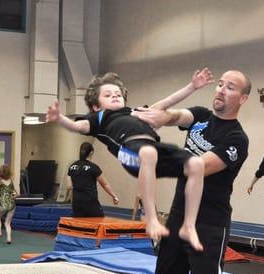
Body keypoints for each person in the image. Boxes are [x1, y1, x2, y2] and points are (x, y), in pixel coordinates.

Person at [132, 70, 251, 274]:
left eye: (231, 87)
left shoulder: (236, 139)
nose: (222, 90)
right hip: (178, 218)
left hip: (209, 226)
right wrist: (179, 95)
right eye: (221, 84)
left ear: (243, 98)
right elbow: (160, 115)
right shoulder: (199, 117)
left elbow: (198, 167)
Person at [46, 69, 215, 252]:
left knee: (197, 164)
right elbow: (77, 126)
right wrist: (60, 119)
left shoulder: (135, 112)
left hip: (154, 152)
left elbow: (166, 102)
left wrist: (193, 86)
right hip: (129, 153)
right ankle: (151, 219)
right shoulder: (99, 118)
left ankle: (188, 226)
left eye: (118, 94)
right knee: (148, 153)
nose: (115, 97)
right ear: (96, 105)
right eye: (108, 95)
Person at [67, 142, 119, 217]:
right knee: (98, 222)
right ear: (91, 153)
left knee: (80, 224)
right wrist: (114, 196)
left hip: (77, 202)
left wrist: (73, 201)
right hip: (90, 201)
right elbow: (105, 184)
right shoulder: (93, 167)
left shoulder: (72, 167)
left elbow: (69, 186)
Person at [0, 164, 17, 244]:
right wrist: (14, 197)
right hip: (12, 204)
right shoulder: (11, 181)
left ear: (0, 172)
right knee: (7, 223)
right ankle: (9, 238)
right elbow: (15, 193)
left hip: (4, 204)